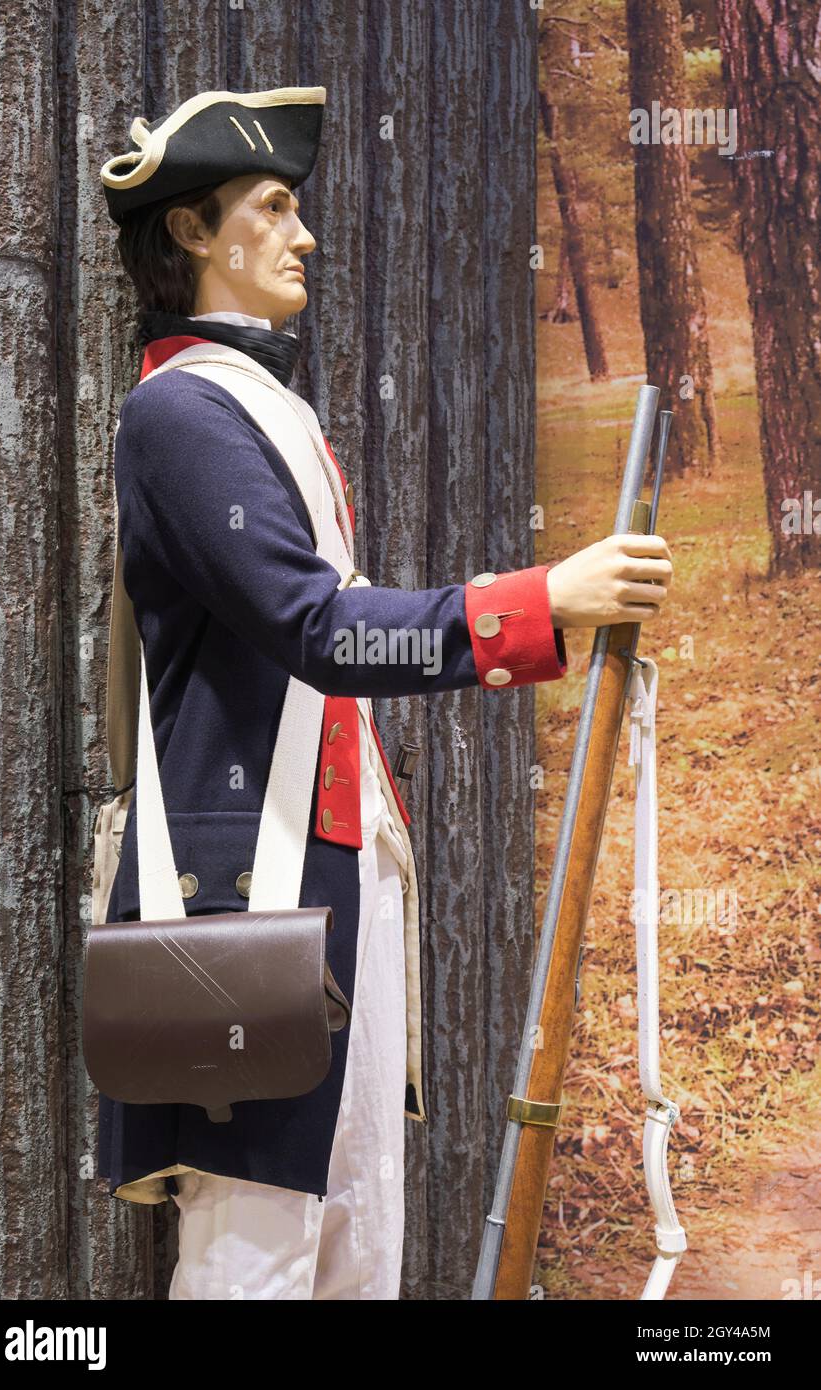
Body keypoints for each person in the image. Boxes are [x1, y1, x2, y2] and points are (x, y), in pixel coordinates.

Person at [96, 84, 673, 1300]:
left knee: (356, 1240)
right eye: (273, 206)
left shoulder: (261, 408)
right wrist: (538, 600)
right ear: (193, 230)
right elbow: (317, 630)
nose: (302, 234)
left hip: (333, 873)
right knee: (256, 1255)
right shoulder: (180, 413)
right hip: (241, 897)